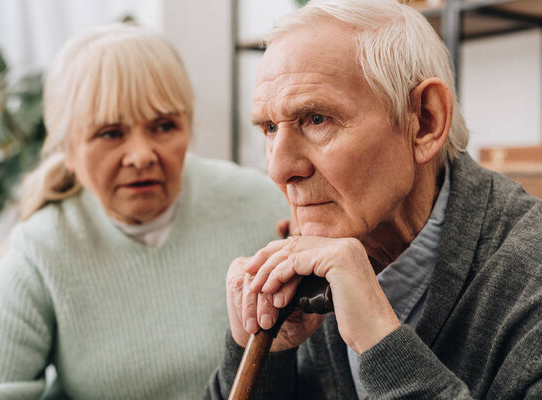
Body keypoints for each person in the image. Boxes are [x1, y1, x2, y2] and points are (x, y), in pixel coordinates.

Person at [206, 0, 542, 399]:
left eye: (316, 119)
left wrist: (382, 343)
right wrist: (262, 356)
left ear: (425, 121)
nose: (279, 170)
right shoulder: (304, 266)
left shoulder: (529, 278)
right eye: (269, 127)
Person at [0, 23, 290, 399]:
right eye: (110, 133)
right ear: (68, 148)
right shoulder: (44, 245)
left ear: (188, 127)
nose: (141, 156)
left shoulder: (262, 202)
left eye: (163, 126)